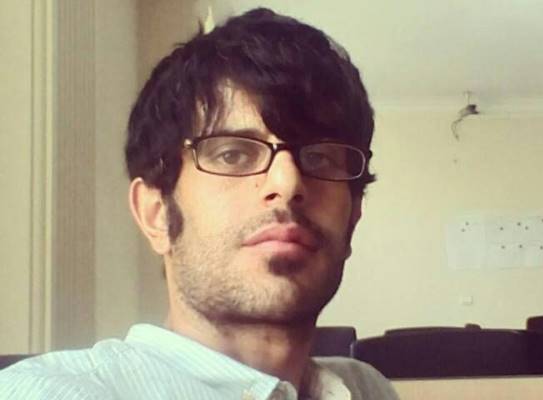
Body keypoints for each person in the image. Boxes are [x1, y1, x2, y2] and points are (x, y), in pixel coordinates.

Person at [0, 8, 399, 400]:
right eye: (232, 154)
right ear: (156, 214)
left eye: (320, 157)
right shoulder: (46, 392)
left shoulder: (366, 388)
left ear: (353, 217)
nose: (288, 182)